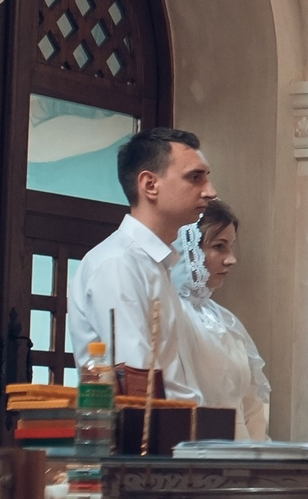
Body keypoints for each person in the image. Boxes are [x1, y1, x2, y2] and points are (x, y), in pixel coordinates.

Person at [66, 128, 217, 397]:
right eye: (195, 178)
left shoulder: (159, 263)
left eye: (207, 178)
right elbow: (137, 386)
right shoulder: (119, 263)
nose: (210, 192)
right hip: (145, 433)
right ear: (149, 185)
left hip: (175, 428)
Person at [172, 198, 272, 440]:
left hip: (240, 458)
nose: (231, 259)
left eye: (231, 246)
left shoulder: (223, 319)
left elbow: (252, 407)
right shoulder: (172, 314)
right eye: (219, 246)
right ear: (188, 250)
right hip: (197, 455)